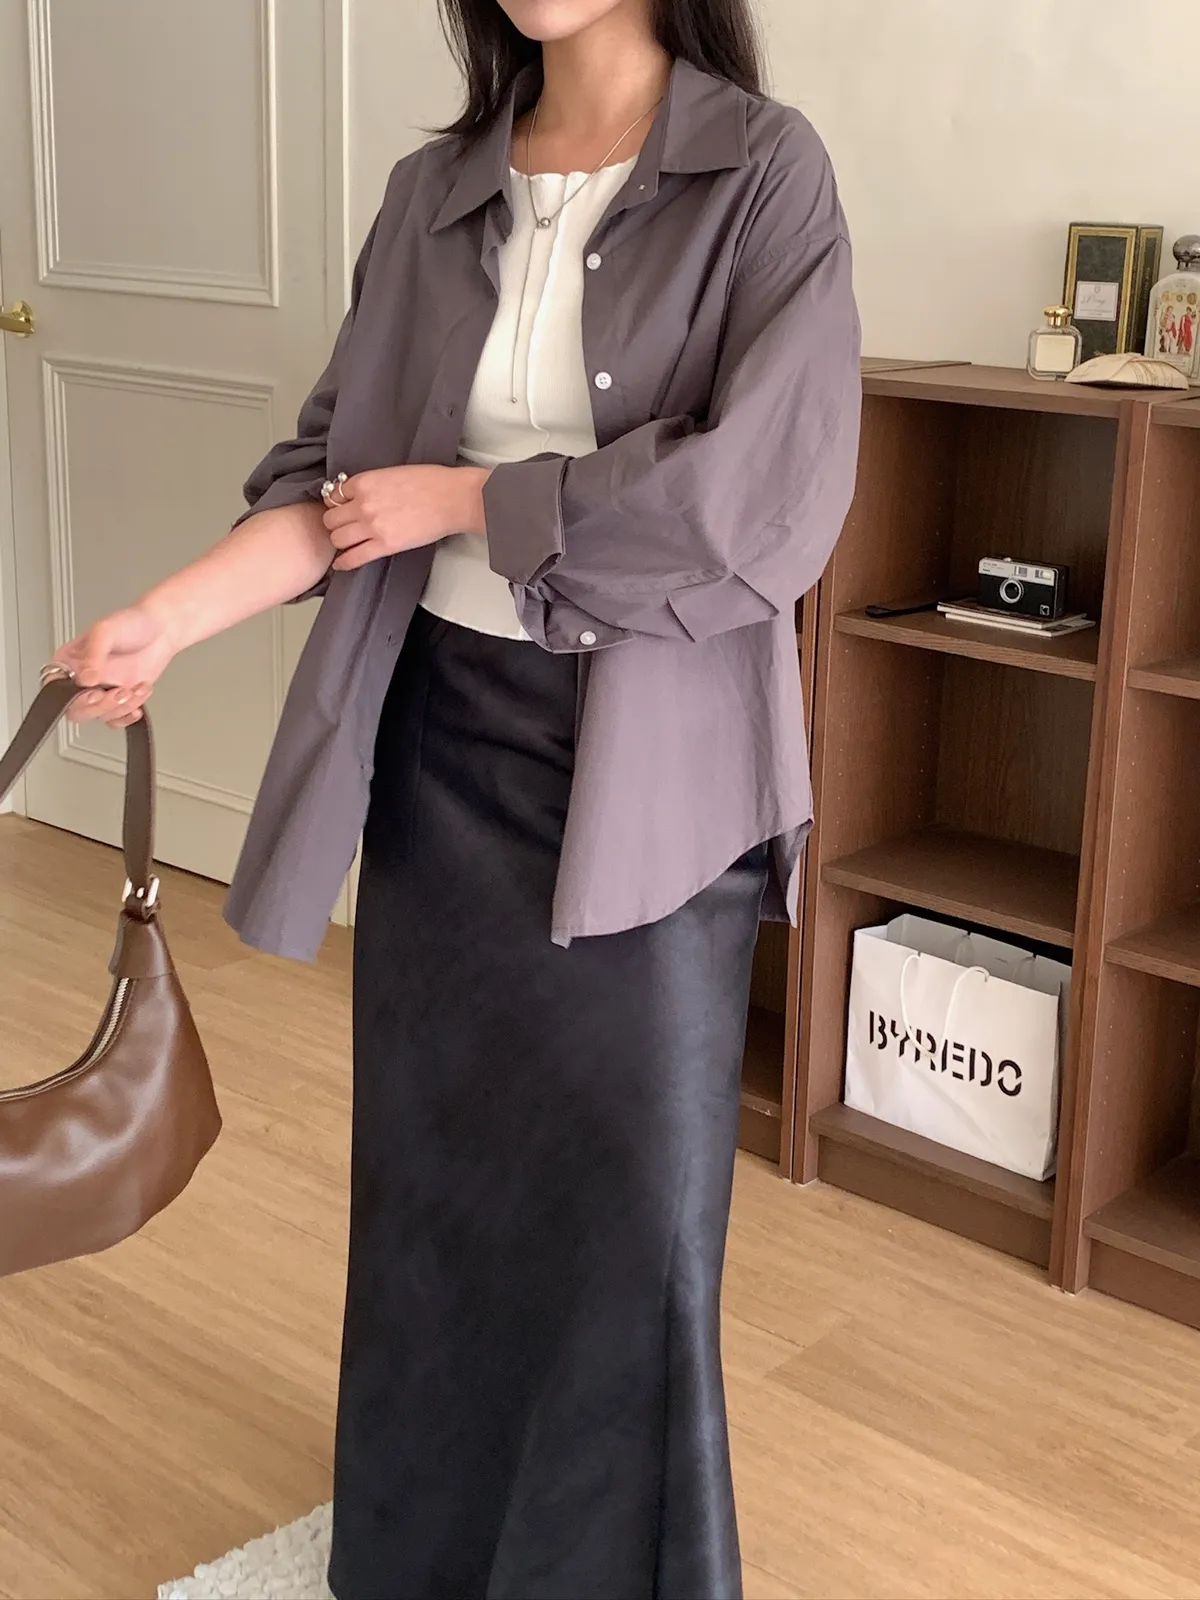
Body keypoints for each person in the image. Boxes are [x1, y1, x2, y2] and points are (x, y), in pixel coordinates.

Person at [55, 0, 861, 1593]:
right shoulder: (434, 192)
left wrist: (472, 500)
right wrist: (164, 618)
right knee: (436, 1201)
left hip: (651, 787)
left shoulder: (765, 172)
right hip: (442, 757)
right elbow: (334, 493)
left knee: (631, 1233)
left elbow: (758, 503)